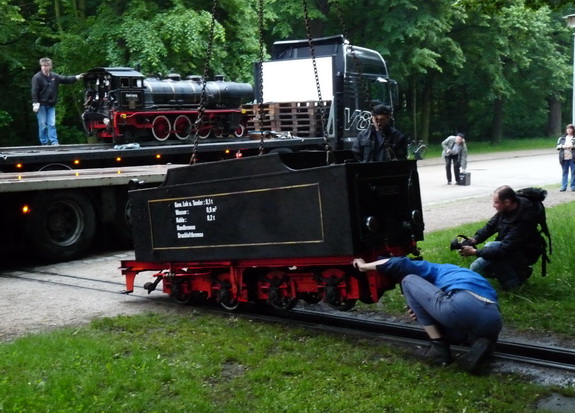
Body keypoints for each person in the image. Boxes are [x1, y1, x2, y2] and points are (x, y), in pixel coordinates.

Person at [352, 256, 502, 373]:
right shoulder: (460, 273)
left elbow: (399, 264)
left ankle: (438, 349)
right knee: (462, 319)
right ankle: (480, 343)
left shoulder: (433, 269)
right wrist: (421, 309)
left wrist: (363, 266)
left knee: (408, 281)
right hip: (492, 318)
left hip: (461, 305)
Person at [459, 185, 543, 290]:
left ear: (507, 202)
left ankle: (513, 285)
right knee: (476, 268)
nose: (493, 205)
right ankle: (520, 272)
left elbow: (502, 250)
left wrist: (475, 252)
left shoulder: (524, 219)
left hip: (527, 253)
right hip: (512, 249)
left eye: (496, 202)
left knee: (491, 253)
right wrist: (474, 239)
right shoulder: (508, 209)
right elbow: (491, 226)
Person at [31, 57, 83, 145]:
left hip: (51, 104)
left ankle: (54, 142)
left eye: (46, 66)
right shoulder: (37, 77)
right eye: (43, 66)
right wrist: (35, 103)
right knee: (43, 124)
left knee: (51, 124)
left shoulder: (54, 76)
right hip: (41, 105)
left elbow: (65, 79)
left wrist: (76, 77)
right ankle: (44, 143)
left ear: (50, 66)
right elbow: (34, 91)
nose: (44, 67)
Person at [556, 124, 575, 192]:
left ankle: (573, 186)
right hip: (564, 158)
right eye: (568, 129)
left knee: (573, 172)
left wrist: (572, 146)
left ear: (573, 130)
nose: (569, 130)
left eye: (570, 129)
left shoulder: (574, 138)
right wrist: (563, 146)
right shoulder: (562, 138)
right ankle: (563, 186)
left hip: (573, 158)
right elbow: (557, 146)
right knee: (564, 172)